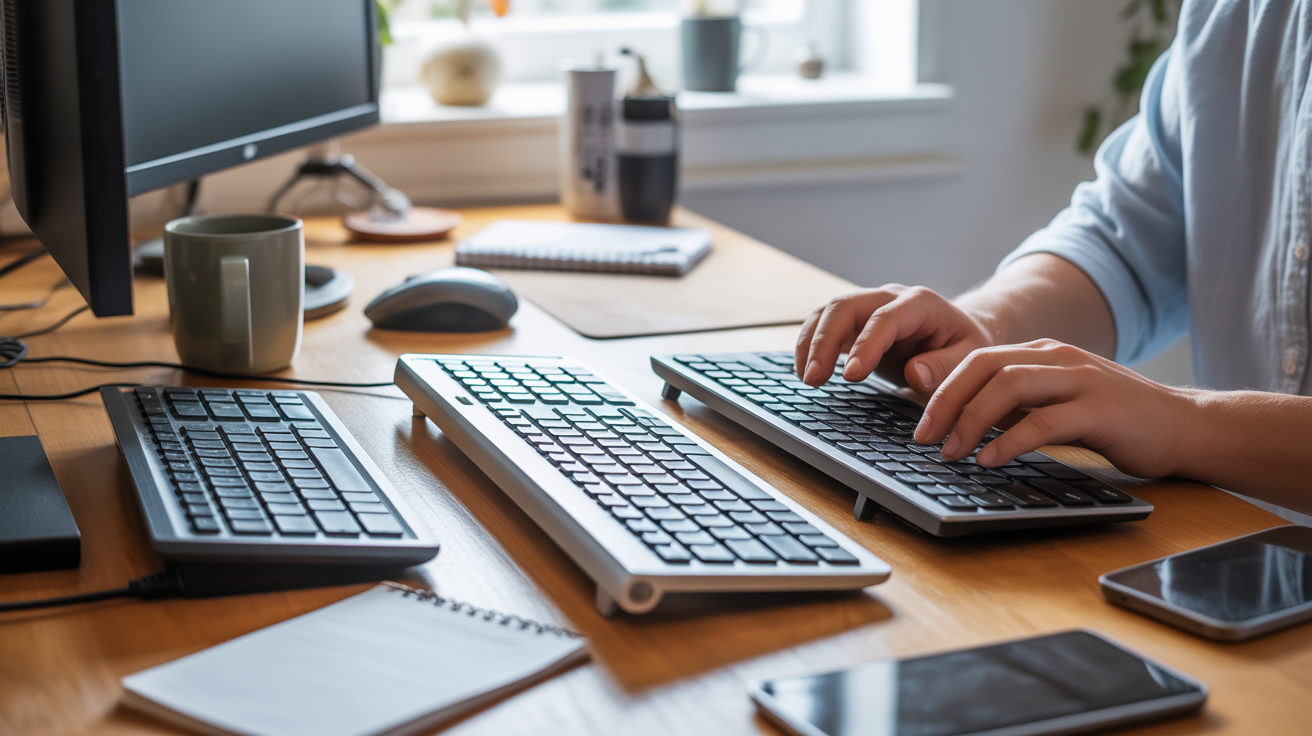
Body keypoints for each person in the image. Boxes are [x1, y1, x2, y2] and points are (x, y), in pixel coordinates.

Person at [794, 0, 1312, 515]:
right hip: (1235, 540)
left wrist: (1184, 423)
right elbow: (1126, 241)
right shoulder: (1231, 13)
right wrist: (987, 326)